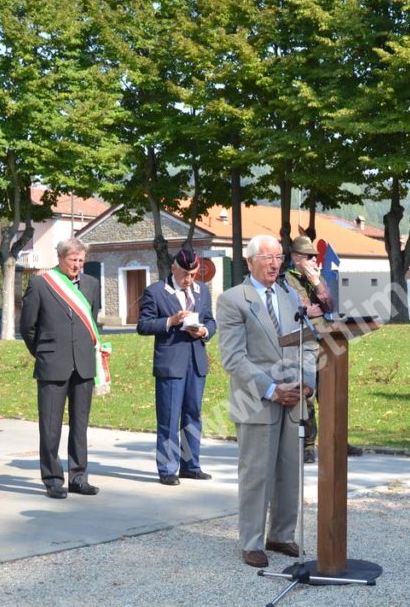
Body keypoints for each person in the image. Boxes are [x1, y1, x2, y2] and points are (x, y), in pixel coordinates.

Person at [217, 234, 318, 568]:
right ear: (250, 261)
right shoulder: (234, 300)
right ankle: (251, 541)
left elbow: (308, 342)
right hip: (256, 399)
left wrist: (306, 382)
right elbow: (233, 358)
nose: (275, 263)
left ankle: (281, 535)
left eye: (278, 257)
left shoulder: (290, 295)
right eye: (268, 257)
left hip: (293, 398)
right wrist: (272, 388)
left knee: (290, 472)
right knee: (256, 474)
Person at [19, 237, 103, 499]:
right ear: (60, 259)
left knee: (80, 425)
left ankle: (79, 478)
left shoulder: (92, 284)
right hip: (52, 364)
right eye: (72, 260)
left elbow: (93, 321)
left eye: (81, 260)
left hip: (84, 365)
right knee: (50, 425)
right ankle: (53, 479)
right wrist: (43, 352)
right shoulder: (41, 284)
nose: (77, 265)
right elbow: (27, 327)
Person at [136, 247, 216, 485]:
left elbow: (211, 320)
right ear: (173, 269)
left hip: (196, 361)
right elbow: (143, 325)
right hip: (171, 363)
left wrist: (204, 331)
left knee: (193, 415)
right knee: (169, 417)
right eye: (184, 274)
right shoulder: (156, 291)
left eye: (193, 274)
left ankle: (191, 465)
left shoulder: (202, 291)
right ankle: (168, 469)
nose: (189, 279)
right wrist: (171, 321)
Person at [282, 235, 363, 463]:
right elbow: (300, 310)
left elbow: (328, 306)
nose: (313, 261)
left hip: (325, 340)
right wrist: (312, 308)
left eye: (314, 257)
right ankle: (308, 445)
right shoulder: (287, 280)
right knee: (307, 394)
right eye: (309, 257)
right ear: (297, 258)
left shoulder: (314, 278)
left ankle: (337, 440)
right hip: (303, 341)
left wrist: (317, 283)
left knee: (331, 394)